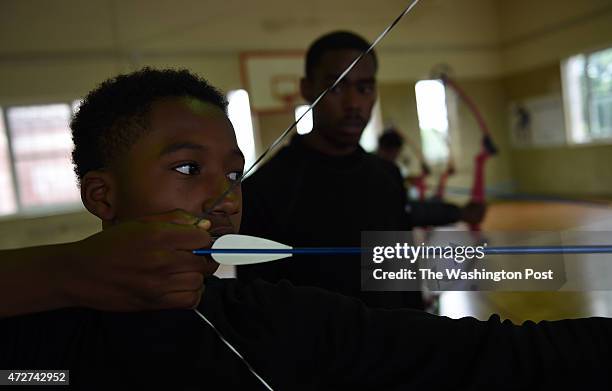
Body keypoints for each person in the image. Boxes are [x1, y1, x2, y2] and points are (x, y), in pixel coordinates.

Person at [1, 68, 612, 390]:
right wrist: (66, 270)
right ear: (101, 196)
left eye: (234, 175)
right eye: (188, 169)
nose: (223, 197)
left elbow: (498, 355)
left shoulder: (286, 323)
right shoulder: (38, 351)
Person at [236, 31, 482, 308]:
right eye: (337, 88)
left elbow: (402, 276)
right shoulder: (266, 189)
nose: (353, 104)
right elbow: (256, 307)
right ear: (307, 89)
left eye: (364, 88)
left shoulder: (386, 176)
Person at [376, 128, 486, 227]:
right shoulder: (381, 168)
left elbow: (400, 183)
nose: (396, 156)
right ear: (390, 150)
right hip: (392, 218)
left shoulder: (384, 166)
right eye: (396, 153)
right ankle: (464, 213)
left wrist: (415, 178)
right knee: (429, 209)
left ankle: (462, 213)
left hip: (401, 214)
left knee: (434, 205)